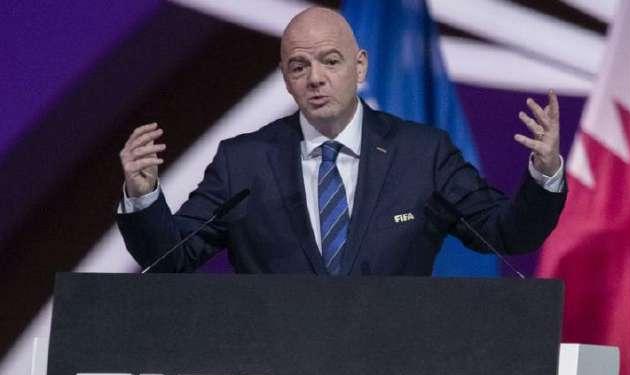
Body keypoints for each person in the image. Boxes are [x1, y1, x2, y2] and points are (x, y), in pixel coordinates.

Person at [116, 7, 566, 275]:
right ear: (286, 80)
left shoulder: (422, 155)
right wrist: (143, 195)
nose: (315, 78)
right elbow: (173, 256)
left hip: (394, 374)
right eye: (299, 67)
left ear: (360, 66)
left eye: (331, 61)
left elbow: (507, 233)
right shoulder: (243, 162)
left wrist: (544, 173)